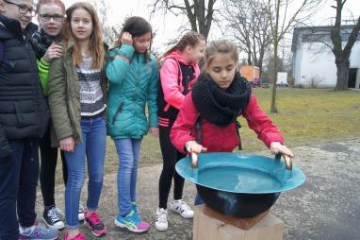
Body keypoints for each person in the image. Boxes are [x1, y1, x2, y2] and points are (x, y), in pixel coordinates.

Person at [170, 40, 294, 205]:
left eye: (229, 68)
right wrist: (188, 142)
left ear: (236, 65)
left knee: (230, 201)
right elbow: (178, 130)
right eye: (217, 70)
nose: (224, 75)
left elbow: (261, 122)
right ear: (207, 68)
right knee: (206, 203)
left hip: (229, 159)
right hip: (205, 162)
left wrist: (275, 141)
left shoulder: (242, 94)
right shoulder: (195, 96)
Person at [48, 2, 108, 239]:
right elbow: (55, 95)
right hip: (75, 126)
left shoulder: (101, 50)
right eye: (76, 20)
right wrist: (64, 133)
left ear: (93, 24)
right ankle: (72, 229)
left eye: (86, 21)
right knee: (76, 177)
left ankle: (91, 212)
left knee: (98, 173)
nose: (81, 25)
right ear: (69, 23)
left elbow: (109, 81)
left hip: (98, 122)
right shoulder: (61, 51)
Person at [0, 0, 58, 239]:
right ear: (2, 5)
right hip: (9, 135)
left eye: (29, 8)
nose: (26, 14)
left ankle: (28, 226)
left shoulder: (26, 37)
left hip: (31, 131)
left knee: (28, 184)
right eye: (21, 7)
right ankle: (8, 234)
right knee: (6, 192)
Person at [106, 16, 159, 234]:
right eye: (141, 40)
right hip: (119, 119)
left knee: (134, 165)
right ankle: (124, 213)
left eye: (148, 40)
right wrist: (126, 50)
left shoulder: (151, 62)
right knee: (127, 163)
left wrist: (153, 121)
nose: (145, 44)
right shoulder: (115, 55)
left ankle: (131, 206)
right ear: (128, 36)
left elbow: (152, 94)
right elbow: (114, 77)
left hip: (138, 121)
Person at [155, 31, 206, 231]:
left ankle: (177, 201)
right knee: (169, 165)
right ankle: (161, 209)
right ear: (188, 49)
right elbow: (171, 94)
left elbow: (199, 91)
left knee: (182, 163)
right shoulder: (170, 64)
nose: (202, 55)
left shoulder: (194, 67)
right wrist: (193, 107)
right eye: (200, 50)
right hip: (169, 121)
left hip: (186, 123)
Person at [28, 0, 67, 230]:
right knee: (49, 162)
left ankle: (73, 202)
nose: (51, 21)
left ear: (63, 18)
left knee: (71, 162)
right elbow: (38, 88)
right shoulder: (31, 42)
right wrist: (44, 61)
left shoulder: (70, 41)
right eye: (46, 16)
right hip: (45, 115)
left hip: (69, 113)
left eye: (56, 16)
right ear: (38, 17)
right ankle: (49, 208)